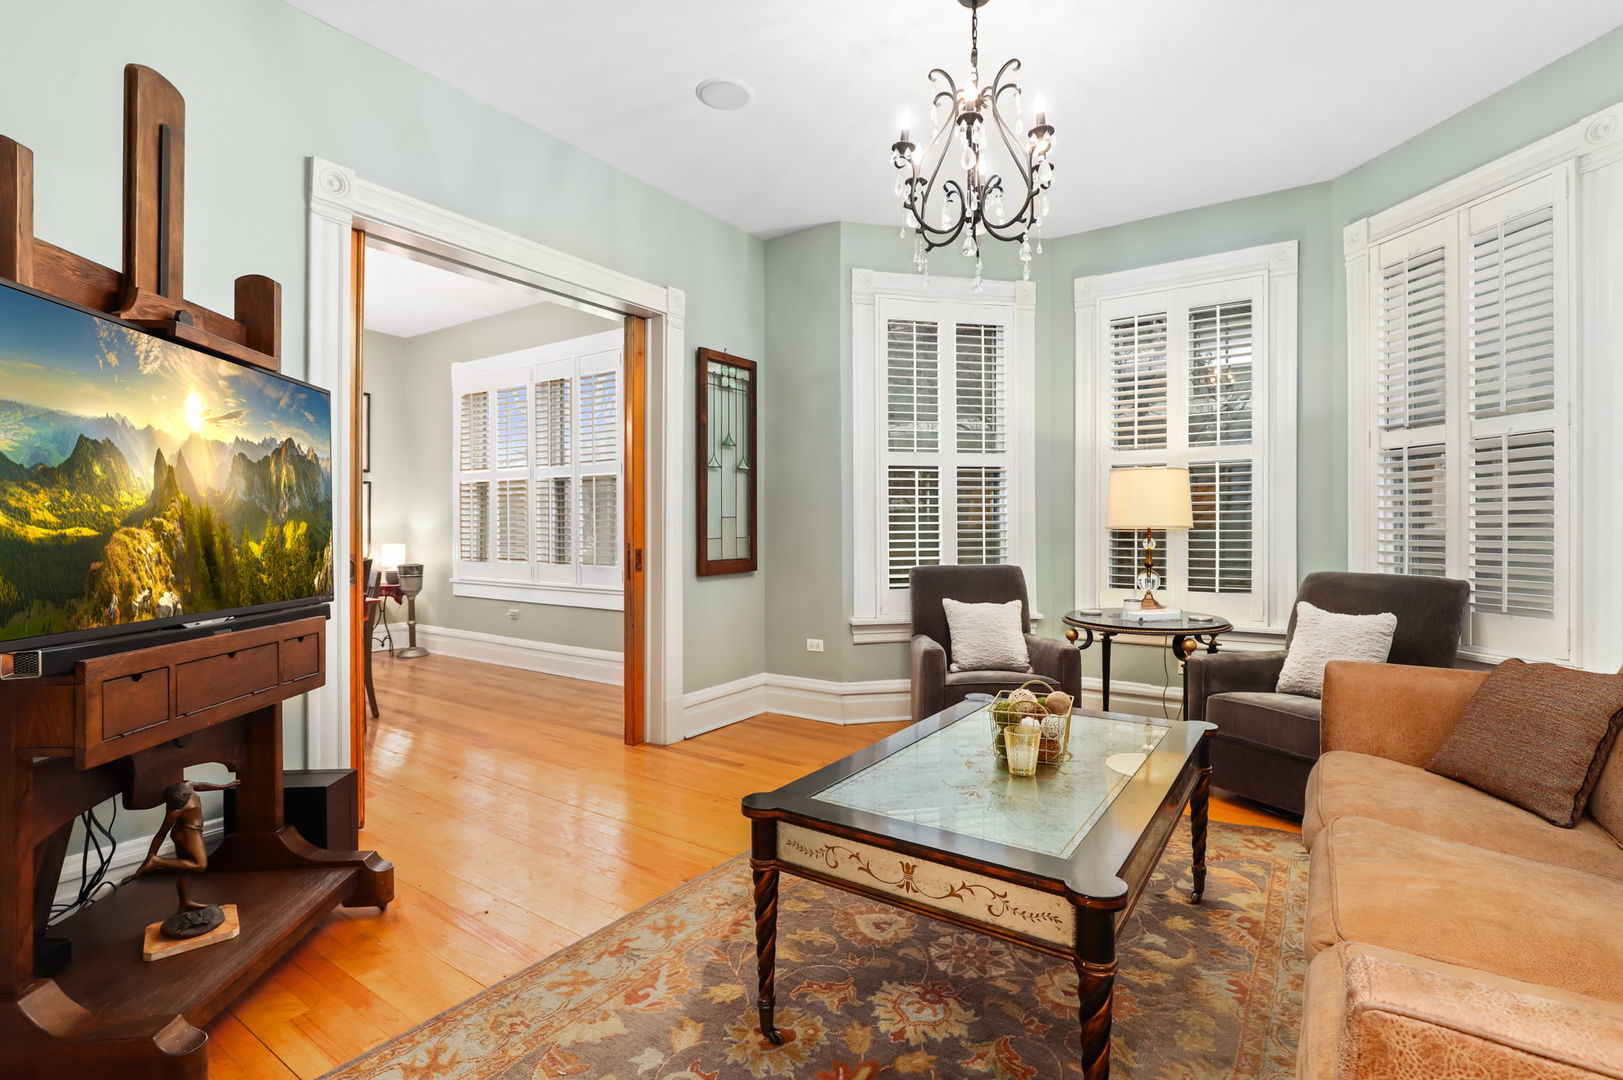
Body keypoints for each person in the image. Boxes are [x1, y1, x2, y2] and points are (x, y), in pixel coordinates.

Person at [133, 777, 240, 937]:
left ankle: (185, 903)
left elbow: (201, 785)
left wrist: (224, 786)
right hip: (189, 833)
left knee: (185, 869)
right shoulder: (175, 810)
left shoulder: (187, 786)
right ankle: (158, 861)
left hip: (186, 832)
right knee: (200, 865)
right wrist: (152, 856)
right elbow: (160, 835)